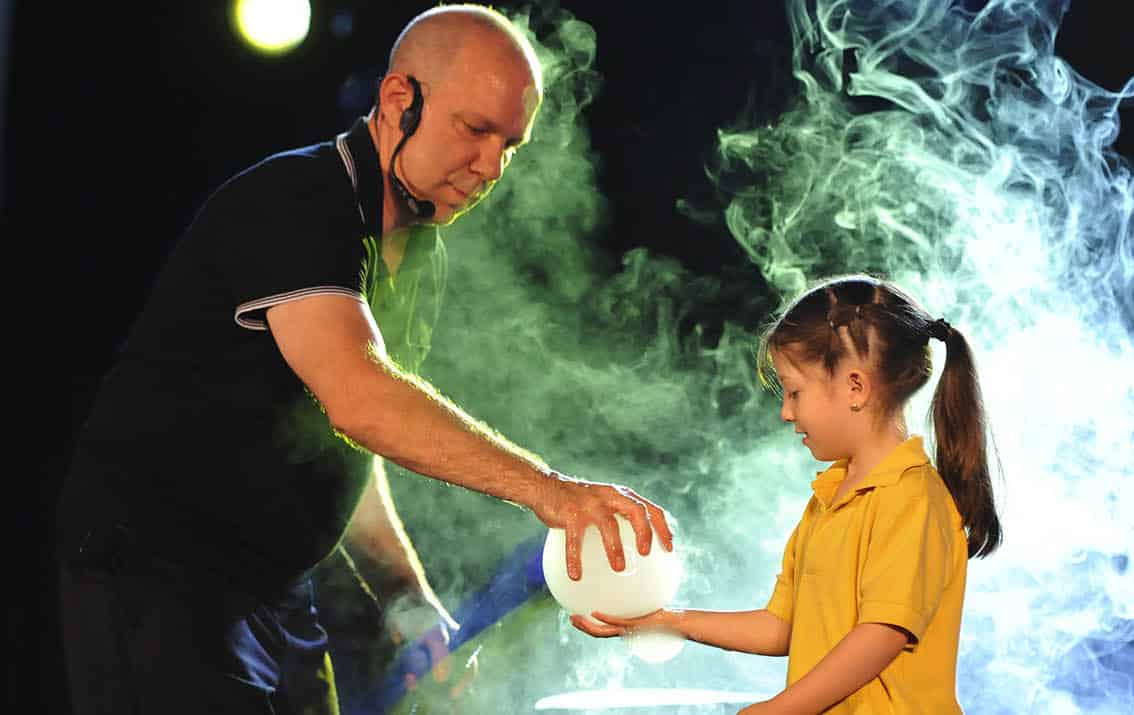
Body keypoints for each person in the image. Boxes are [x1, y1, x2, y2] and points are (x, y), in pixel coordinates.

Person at [55, 5, 672, 713]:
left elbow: (345, 436)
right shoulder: (297, 201)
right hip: (159, 575)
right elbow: (361, 397)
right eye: (474, 130)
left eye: (511, 145)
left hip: (275, 592)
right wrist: (551, 490)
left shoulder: (421, 255)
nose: (490, 167)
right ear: (397, 101)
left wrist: (408, 598)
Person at [572, 274, 1001, 713]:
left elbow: (882, 635)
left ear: (855, 387)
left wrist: (780, 709)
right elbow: (780, 627)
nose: (786, 412)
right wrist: (661, 621)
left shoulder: (911, 500)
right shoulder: (828, 498)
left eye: (795, 392)